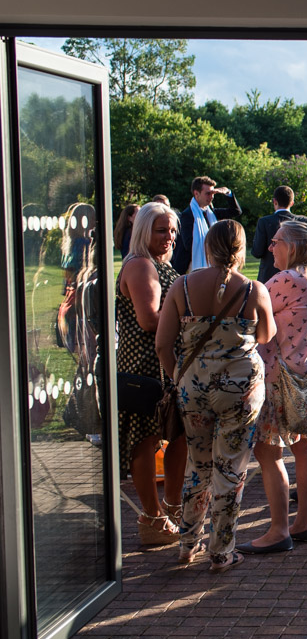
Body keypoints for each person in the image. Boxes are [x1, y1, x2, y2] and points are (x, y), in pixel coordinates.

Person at [156, 220, 274, 573]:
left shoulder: (182, 286)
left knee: (199, 464)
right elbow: (266, 335)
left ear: (207, 248)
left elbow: (163, 343)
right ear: (240, 250)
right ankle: (221, 551)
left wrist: (179, 375)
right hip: (240, 388)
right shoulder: (253, 289)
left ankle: (187, 543)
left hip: (194, 386)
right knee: (231, 467)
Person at [237, 220, 307, 555]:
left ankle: (279, 530)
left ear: (291, 246)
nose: (270, 247)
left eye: (275, 241)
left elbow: (247, 314)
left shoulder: (286, 280)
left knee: (267, 452)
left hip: (278, 378)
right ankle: (303, 522)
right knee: (305, 449)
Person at [116, 202, 187, 547]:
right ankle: (153, 517)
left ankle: (172, 508)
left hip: (167, 363)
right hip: (144, 365)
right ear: (144, 231)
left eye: (173, 231)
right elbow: (149, 320)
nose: (169, 237)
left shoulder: (160, 264)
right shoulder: (141, 265)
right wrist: (190, 317)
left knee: (178, 434)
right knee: (144, 440)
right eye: (162, 230)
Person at [171, 176, 243, 275]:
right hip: (191, 266)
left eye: (213, 193)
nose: (211, 197)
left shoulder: (211, 213)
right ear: (196, 194)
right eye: (208, 194)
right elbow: (188, 244)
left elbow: (236, 211)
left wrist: (228, 193)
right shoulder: (186, 216)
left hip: (212, 264)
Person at [250, 185, 297, 283]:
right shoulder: (300, 222)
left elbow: (257, 252)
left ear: (274, 201)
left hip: (269, 275)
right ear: (292, 203)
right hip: (295, 275)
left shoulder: (264, 222)